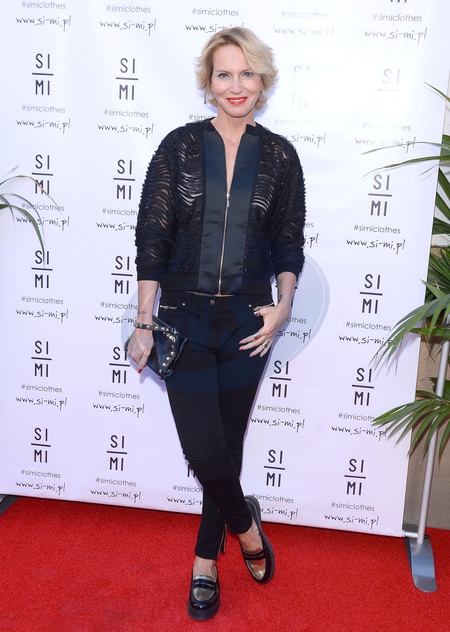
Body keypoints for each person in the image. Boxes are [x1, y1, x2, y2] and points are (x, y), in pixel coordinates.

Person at [127, 26, 306, 621]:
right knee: (204, 448)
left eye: (247, 73)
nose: (236, 85)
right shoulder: (178, 147)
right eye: (224, 73)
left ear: (262, 80)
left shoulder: (280, 156)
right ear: (209, 82)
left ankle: (205, 561)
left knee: (226, 445)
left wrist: (283, 306)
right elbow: (152, 238)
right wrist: (144, 321)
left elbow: (288, 242)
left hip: (248, 321)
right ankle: (245, 525)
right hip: (183, 318)